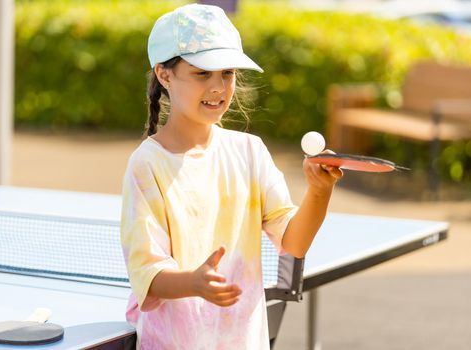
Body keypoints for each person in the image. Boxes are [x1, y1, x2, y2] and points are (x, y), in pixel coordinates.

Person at [120, 4, 343, 349]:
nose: (218, 86)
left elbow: (294, 242)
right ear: (165, 75)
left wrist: (319, 191)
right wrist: (194, 282)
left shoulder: (250, 152)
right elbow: (148, 275)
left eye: (227, 73)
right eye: (202, 74)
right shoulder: (147, 164)